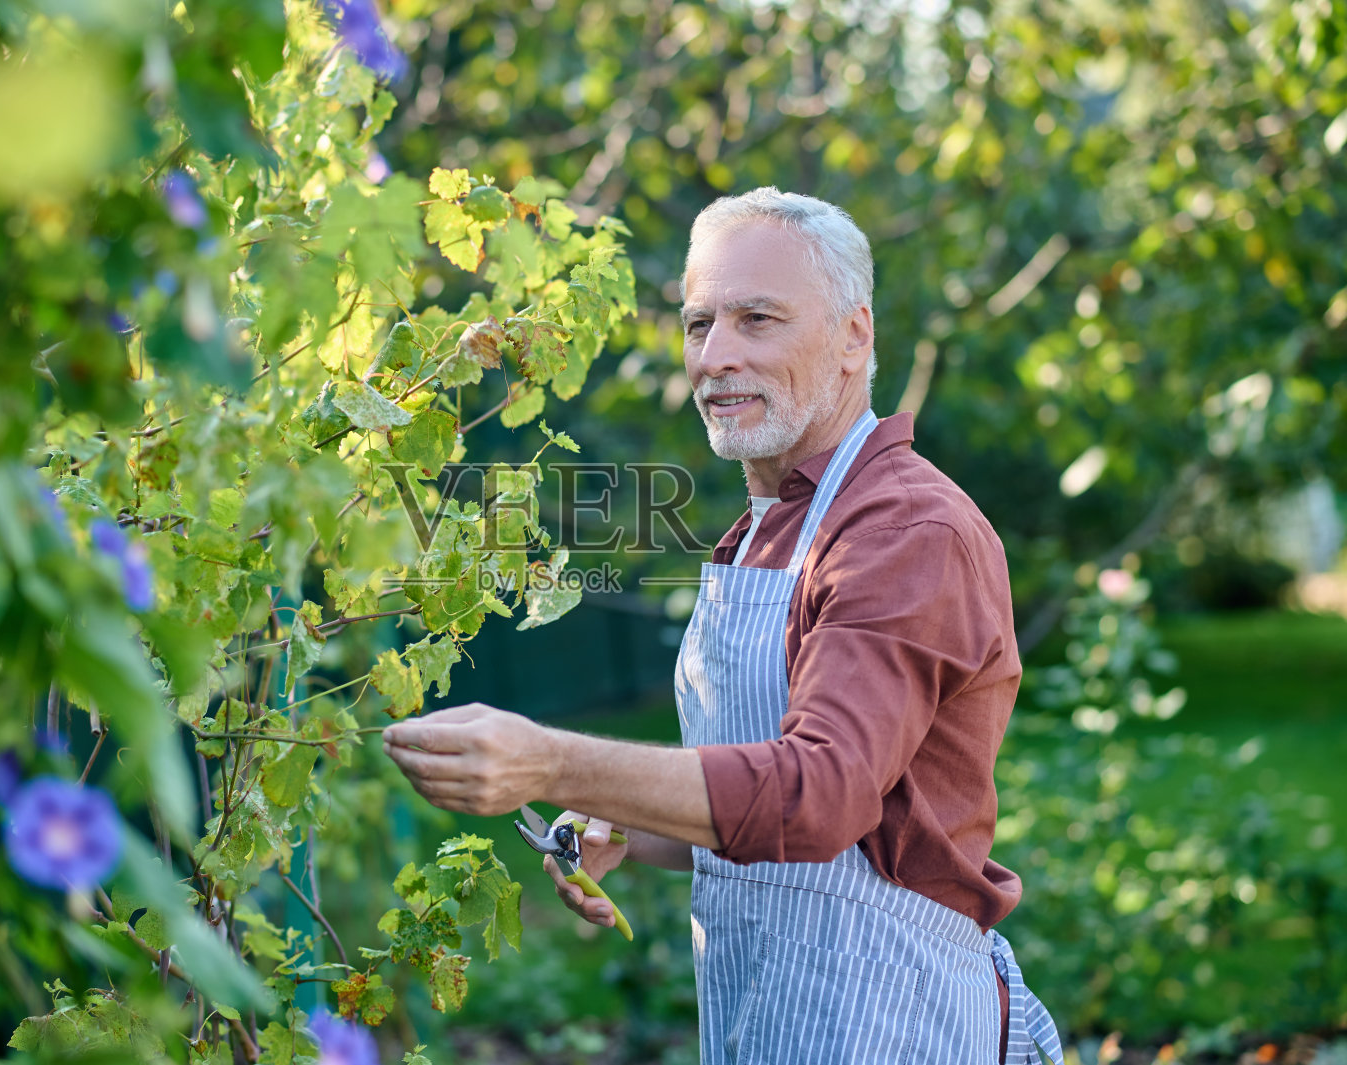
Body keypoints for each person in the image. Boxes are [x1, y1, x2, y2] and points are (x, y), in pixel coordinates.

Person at [383, 187, 1064, 1065]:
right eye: (700, 324)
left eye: (757, 319)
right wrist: (620, 816)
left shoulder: (902, 532)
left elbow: (818, 796)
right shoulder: (769, 526)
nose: (716, 356)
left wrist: (551, 760)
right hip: (779, 1011)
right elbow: (781, 809)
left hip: (893, 1016)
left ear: (855, 335)